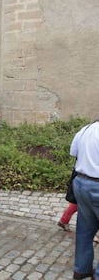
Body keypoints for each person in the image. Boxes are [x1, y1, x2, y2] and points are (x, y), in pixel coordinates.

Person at [69, 120, 99, 280]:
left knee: (84, 231)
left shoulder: (86, 129)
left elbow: (73, 152)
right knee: (85, 230)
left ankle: (81, 269)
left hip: (81, 183)